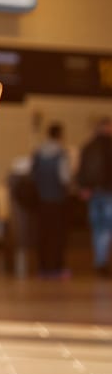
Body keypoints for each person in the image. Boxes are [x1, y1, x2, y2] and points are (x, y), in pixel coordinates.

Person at [30, 122, 72, 279]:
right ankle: (56, 267)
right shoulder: (61, 154)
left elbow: (33, 175)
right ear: (60, 135)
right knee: (57, 235)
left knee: (43, 234)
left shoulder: (38, 153)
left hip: (41, 200)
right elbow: (65, 178)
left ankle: (43, 267)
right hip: (57, 200)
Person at [77, 117, 112, 277]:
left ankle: (100, 260)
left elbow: (81, 170)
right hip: (107, 191)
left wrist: (84, 187)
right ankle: (101, 262)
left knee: (98, 228)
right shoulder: (108, 146)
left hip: (92, 192)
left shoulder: (88, 146)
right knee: (106, 228)